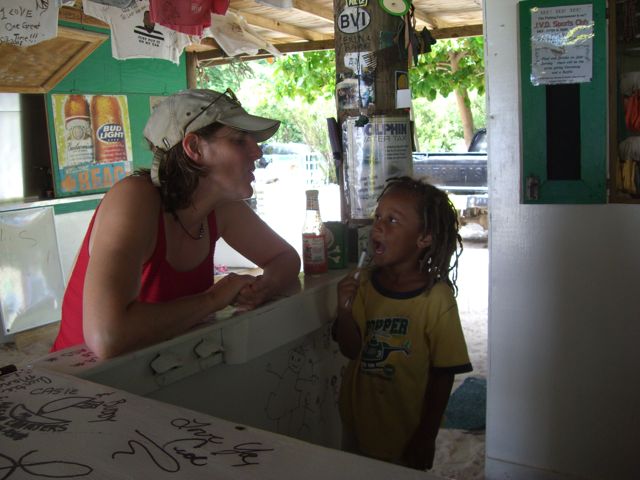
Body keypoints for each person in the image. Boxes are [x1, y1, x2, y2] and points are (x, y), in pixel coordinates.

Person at [52, 88, 301, 358]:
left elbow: (285, 258)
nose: (257, 152)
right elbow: (108, 337)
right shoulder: (134, 197)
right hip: (79, 387)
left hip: (154, 372)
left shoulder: (222, 207)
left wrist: (262, 289)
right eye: (240, 140)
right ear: (194, 147)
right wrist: (213, 299)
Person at [333, 176, 472, 470]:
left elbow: (442, 375)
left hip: (406, 434)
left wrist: (427, 436)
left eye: (393, 220)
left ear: (425, 238)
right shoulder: (366, 285)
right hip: (357, 425)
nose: (378, 226)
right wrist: (344, 311)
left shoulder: (436, 299)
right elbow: (351, 350)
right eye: (378, 216)